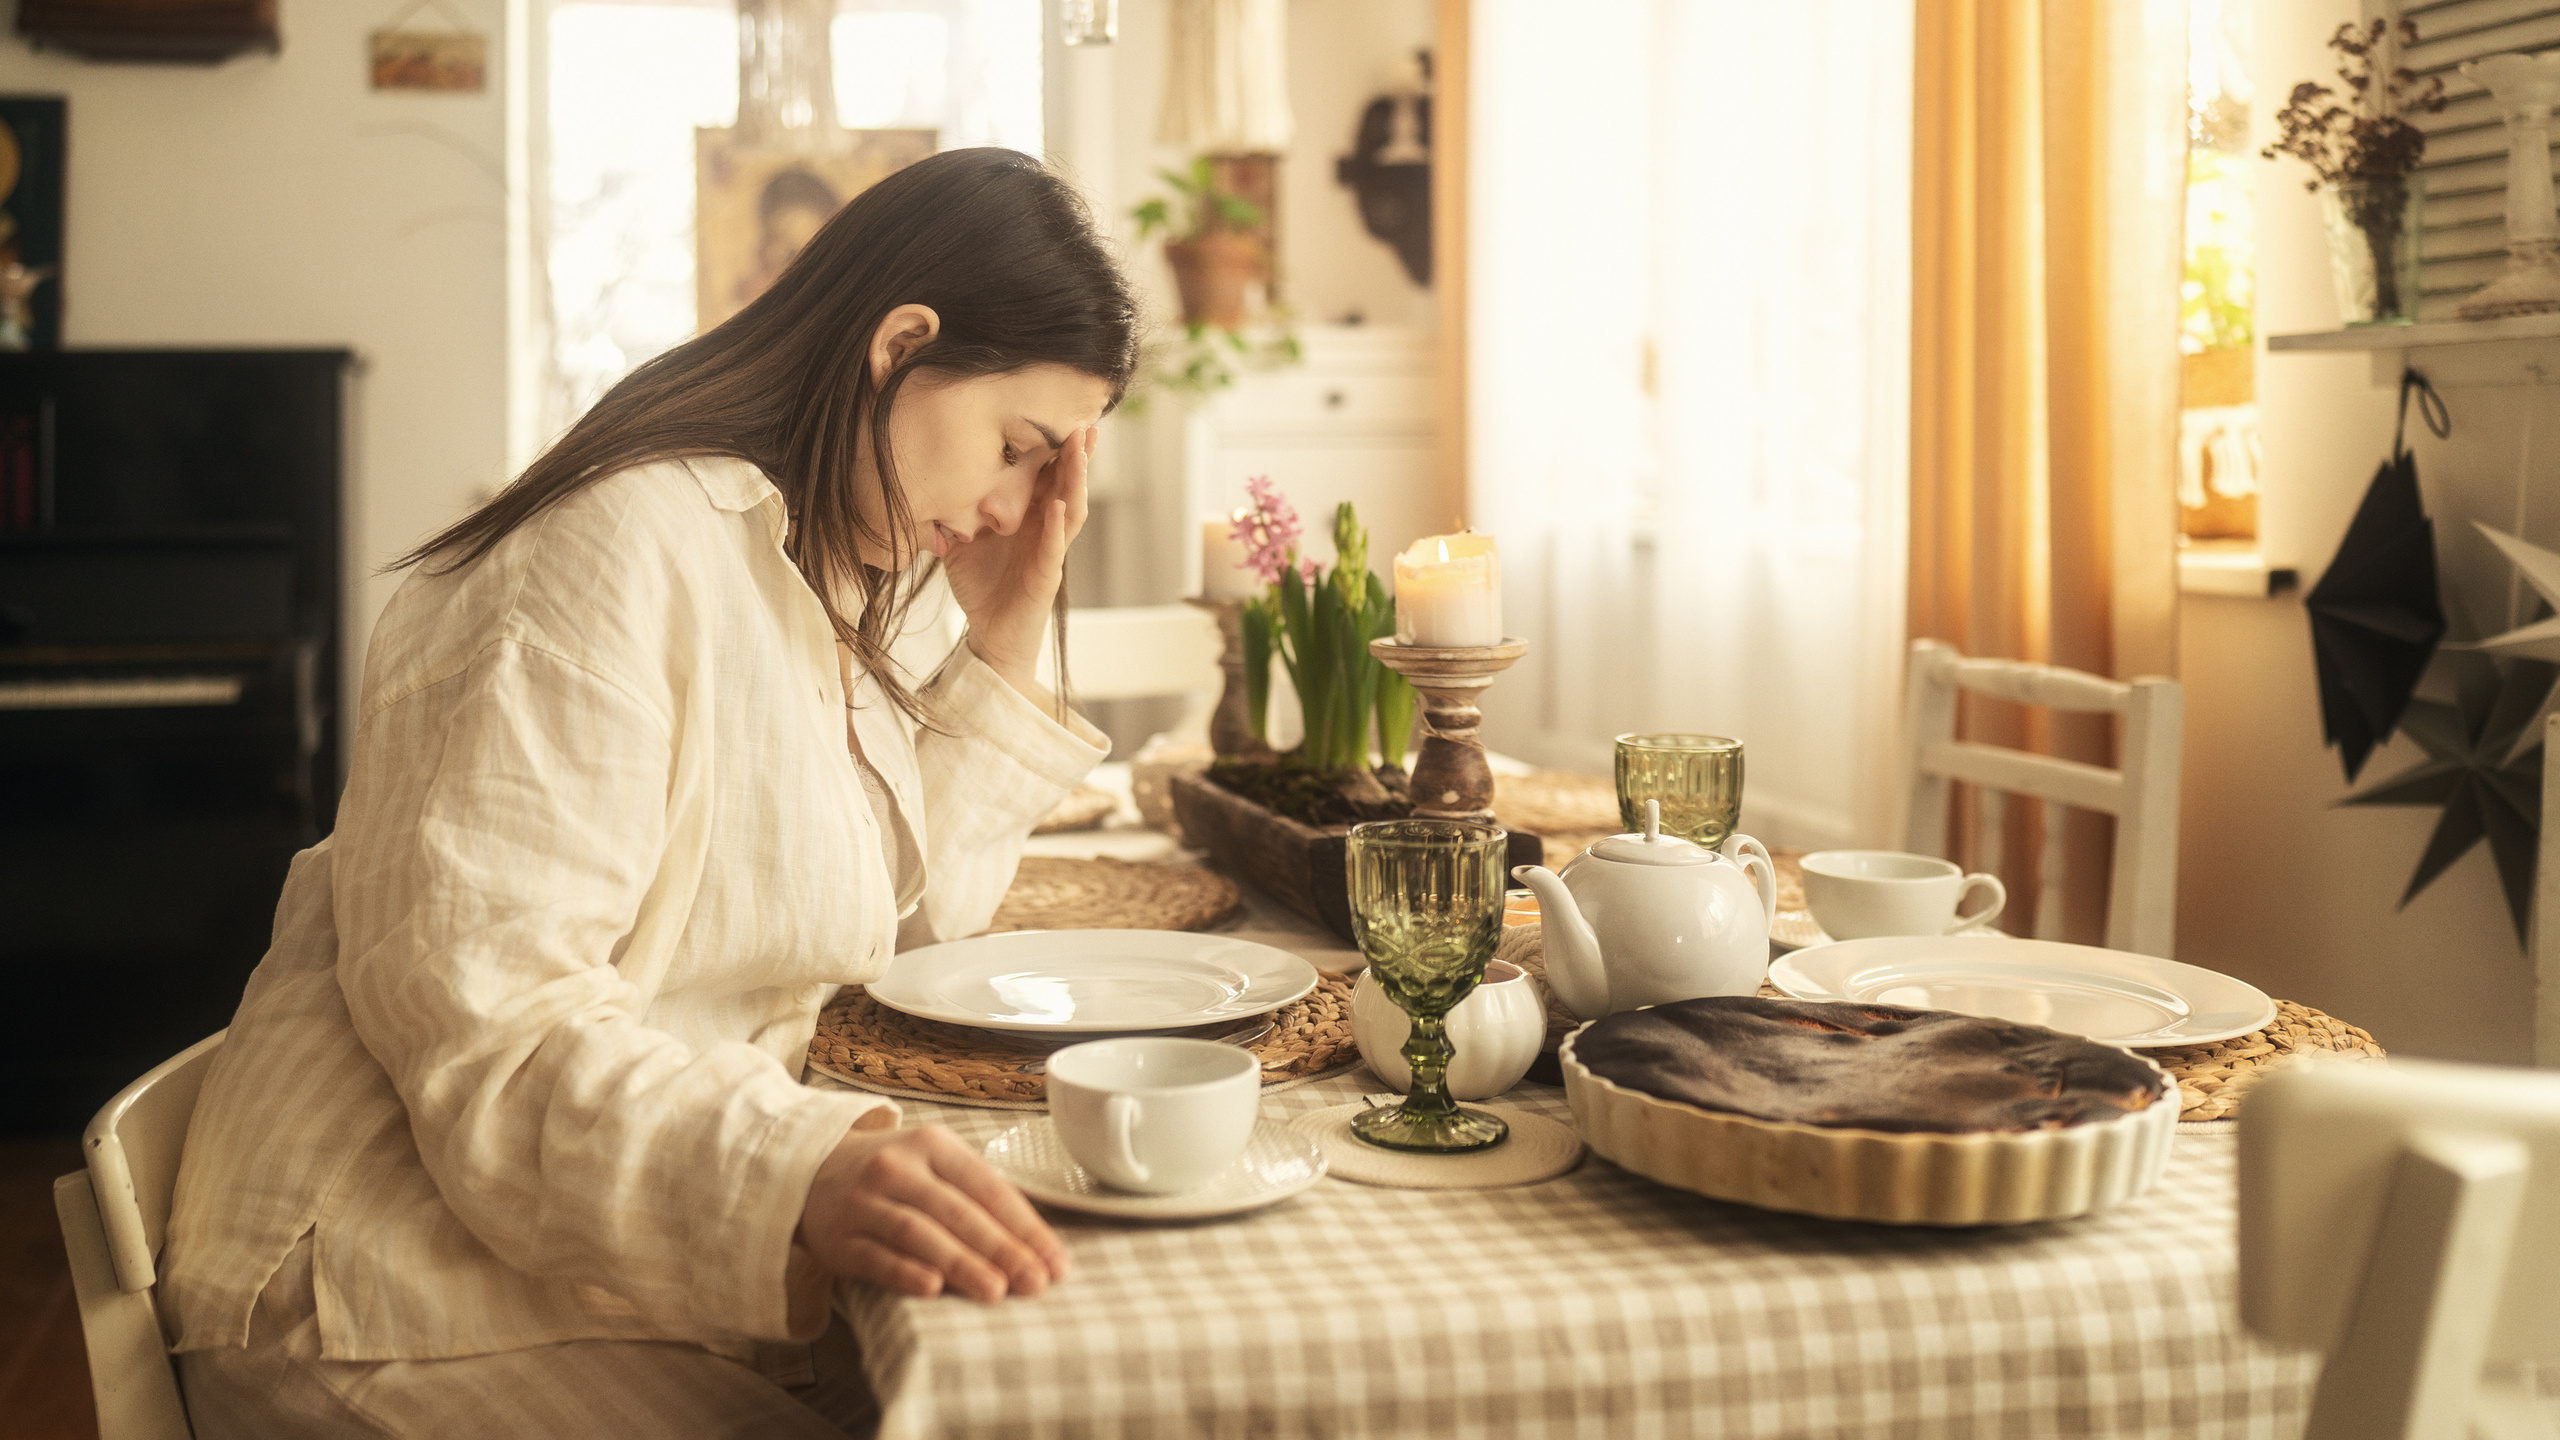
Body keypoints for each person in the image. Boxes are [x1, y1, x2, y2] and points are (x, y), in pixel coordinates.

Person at [159, 148, 1140, 1437]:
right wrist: (792, 1168)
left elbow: (895, 922)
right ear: (900, 346)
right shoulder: (607, 553)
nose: (1020, 511)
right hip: (380, 1290)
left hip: (553, 1258)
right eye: (1019, 450)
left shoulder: (819, 566)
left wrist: (1003, 646)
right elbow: (501, 1033)